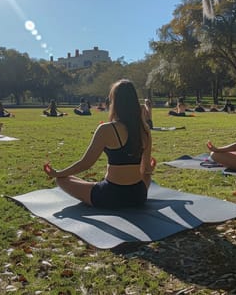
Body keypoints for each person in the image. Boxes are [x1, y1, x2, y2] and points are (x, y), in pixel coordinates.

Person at [44, 80, 154, 208]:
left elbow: (85, 163)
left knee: (62, 180)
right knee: (146, 175)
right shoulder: (144, 129)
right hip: (138, 195)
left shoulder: (106, 129)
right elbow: (146, 169)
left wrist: (58, 173)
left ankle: (98, 186)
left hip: (111, 196)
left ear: (115, 103)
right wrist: (151, 167)